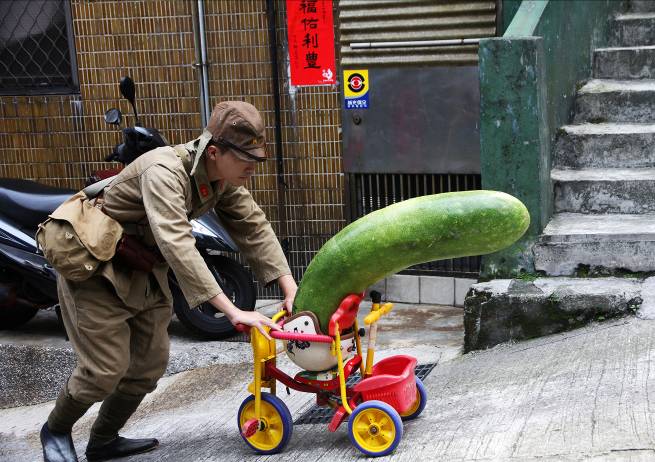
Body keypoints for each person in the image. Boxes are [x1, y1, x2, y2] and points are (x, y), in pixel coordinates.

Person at [40, 101, 297, 462]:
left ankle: (103, 440)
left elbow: (253, 226)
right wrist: (233, 311)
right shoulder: (163, 170)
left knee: (148, 366)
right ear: (214, 152)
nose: (252, 167)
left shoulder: (222, 178)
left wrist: (290, 288)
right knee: (104, 370)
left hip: (143, 269)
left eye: (257, 158)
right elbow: (176, 242)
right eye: (246, 159)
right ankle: (56, 429)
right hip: (98, 270)